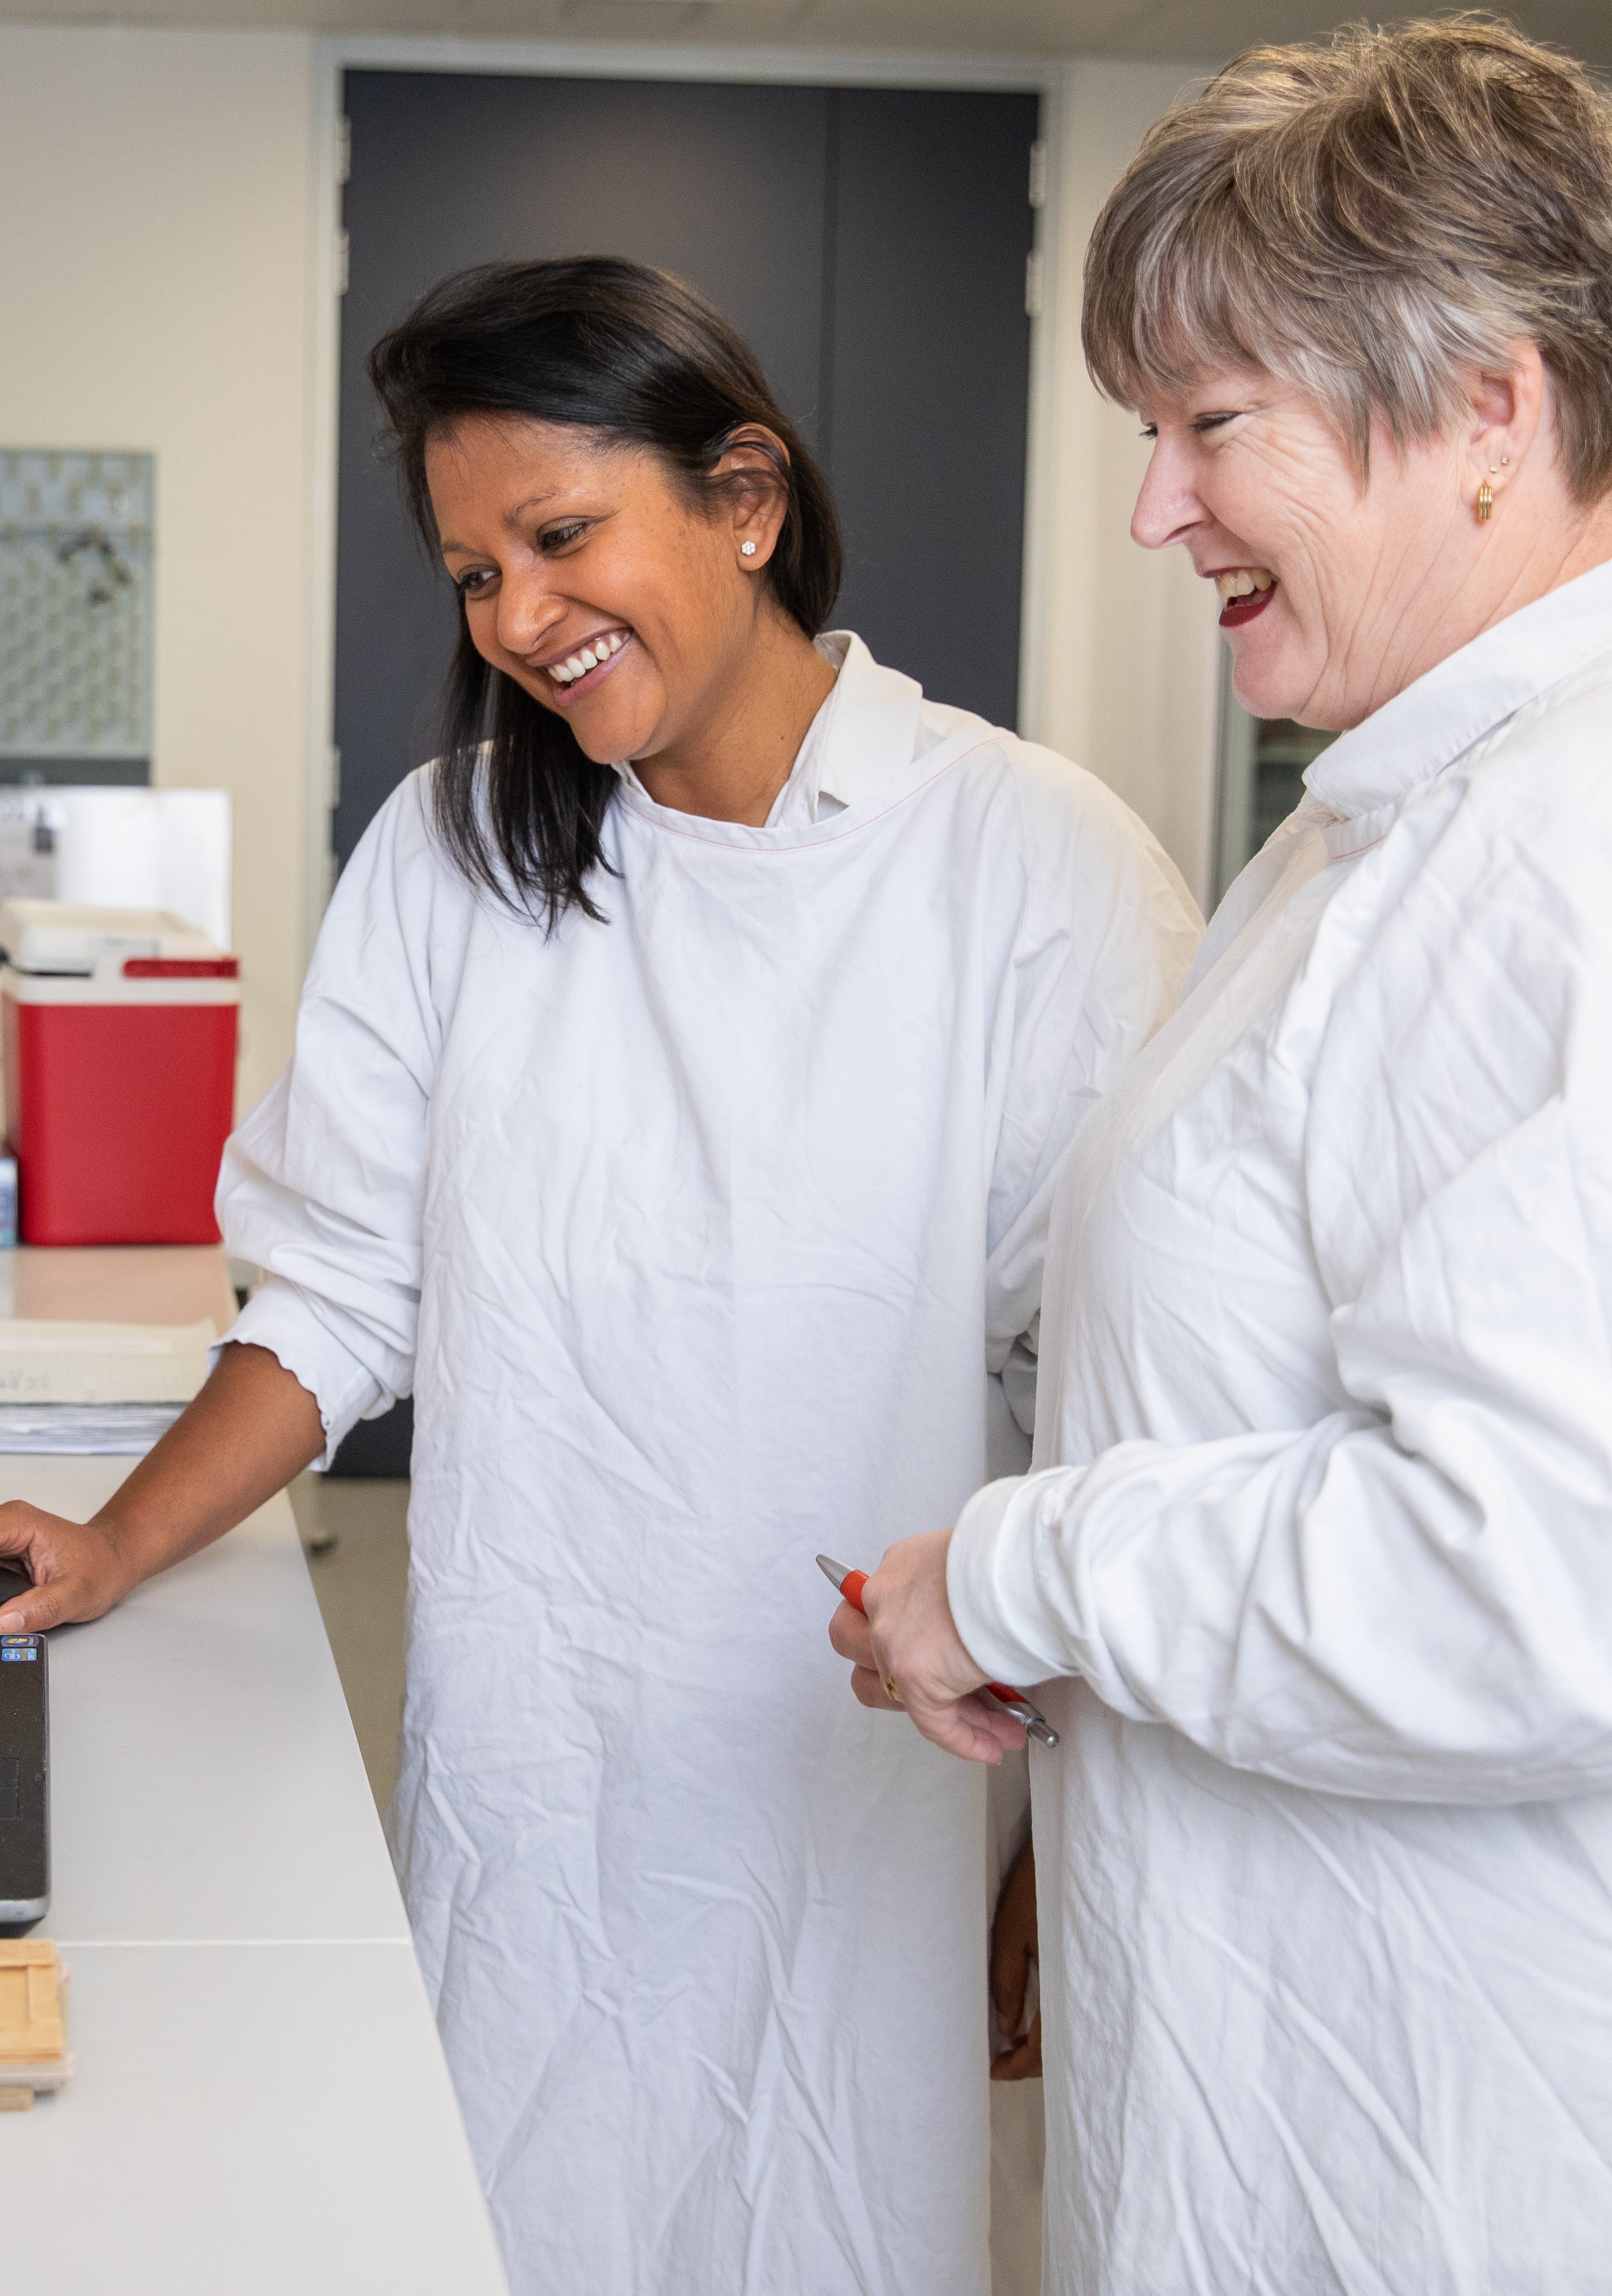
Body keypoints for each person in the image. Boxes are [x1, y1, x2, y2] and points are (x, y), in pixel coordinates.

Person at [0, 257, 1199, 2294]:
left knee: (829, 2218)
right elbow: (334, 1287)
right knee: (501, 2208)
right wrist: (113, 1552)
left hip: (879, 1780)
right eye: (473, 570)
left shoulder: (1029, 866)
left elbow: (1128, 1391)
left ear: (743, 495)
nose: (520, 619)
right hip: (540, 1753)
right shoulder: (459, 848)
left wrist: (1072, 1855)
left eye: (561, 535)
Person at [831, 21, 1612, 2292]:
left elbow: (1553, 1579)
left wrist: (1021, 1570)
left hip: (1489, 2180)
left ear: (1482, 406)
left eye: (1207, 425)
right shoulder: (1414, 808)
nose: (1155, 508)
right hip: (1330, 2107)